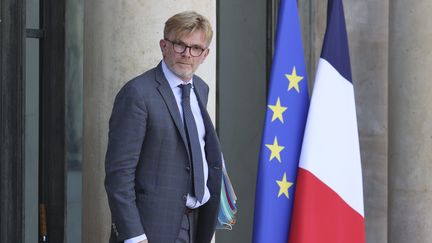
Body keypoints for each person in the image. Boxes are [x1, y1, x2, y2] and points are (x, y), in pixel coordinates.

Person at [104, 11, 223, 243]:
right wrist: (134, 236)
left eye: (196, 48)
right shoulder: (137, 94)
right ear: (164, 46)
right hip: (151, 229)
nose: (187, 54)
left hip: (197, 222)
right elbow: (119, 175)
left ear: (205, 54)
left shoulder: (201, 89)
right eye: (180, 45)